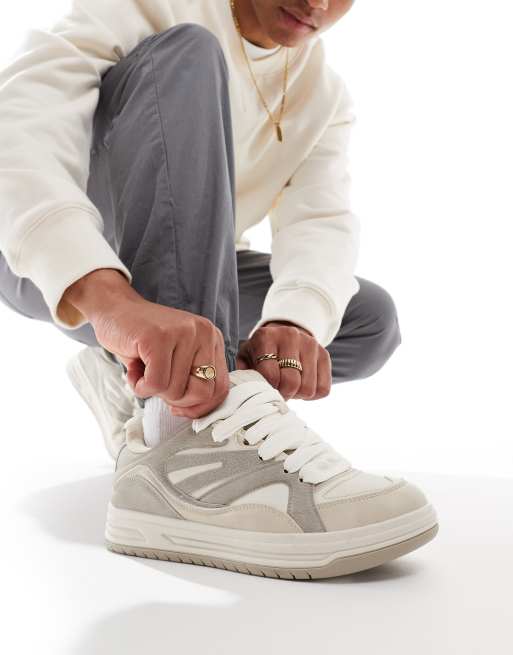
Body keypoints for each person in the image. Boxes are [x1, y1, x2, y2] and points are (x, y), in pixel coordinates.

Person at [0, 0, 438, 579]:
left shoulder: (323, 94)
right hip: (50, 260)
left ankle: (139, 378)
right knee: (188, 54)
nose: (316, 3)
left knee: (366, 320)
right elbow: (20, 122)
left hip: (185, 271)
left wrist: (293, 321)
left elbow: (320, 220)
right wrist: (109, 299)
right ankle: (178, 442)